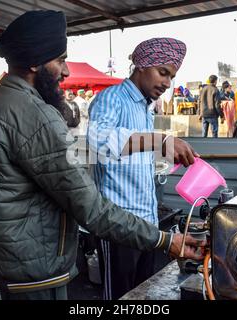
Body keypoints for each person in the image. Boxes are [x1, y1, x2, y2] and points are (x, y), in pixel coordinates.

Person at [0, 11, 204, 301]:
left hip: (9, 260)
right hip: (37, 269)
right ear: (34, 61)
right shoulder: (38, 115)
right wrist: (165, 240)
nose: (66, 72)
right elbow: (90, 200)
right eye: (60, 60)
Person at [88, 37, 200, 300]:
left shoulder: (146, 108)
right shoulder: (111, 98)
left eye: (171, 77)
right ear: (141, 65)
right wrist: (159, 140)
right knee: (120, 297)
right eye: (163, 73)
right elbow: (98, 141)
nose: (167, 83)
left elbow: (132, 151)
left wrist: (160, 152)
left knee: (143, 295)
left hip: (147, 224)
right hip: (118, 224)